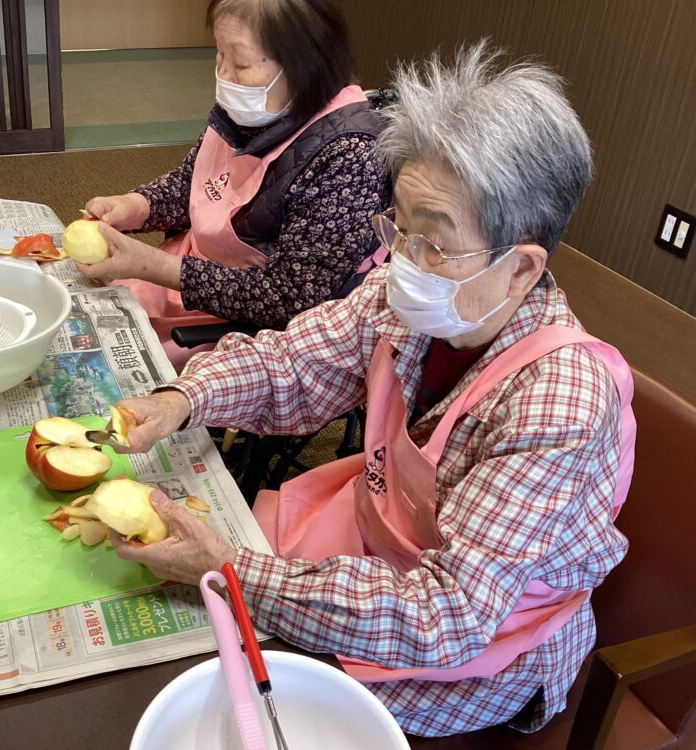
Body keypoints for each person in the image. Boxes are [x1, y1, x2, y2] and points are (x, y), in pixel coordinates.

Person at [106, 42, 637, 737]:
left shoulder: (559, 400)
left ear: (521, 269)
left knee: (263, 699)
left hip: (481, 641)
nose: (402, 263)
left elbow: (447, 617)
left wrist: (239, 572)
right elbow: (293, 364)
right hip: (380, 538)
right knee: (205, 628)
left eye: (434, 244)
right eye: (401, 229)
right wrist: (182, 398)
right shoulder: (408, 296)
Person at [79, 0, 390, 371]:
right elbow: (196, 183)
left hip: (248, 320)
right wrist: (134, 206)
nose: (224, 74)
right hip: (186, 271)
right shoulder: (256, 107)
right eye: (218, 54)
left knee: (103, 370)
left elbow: (288, 297)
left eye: (240, 63)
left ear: (304, 64)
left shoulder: (349, 155)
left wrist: (154, 266)